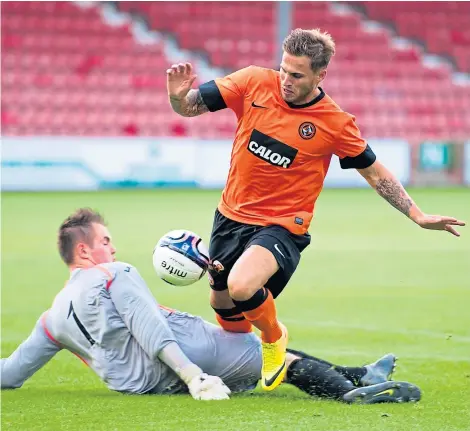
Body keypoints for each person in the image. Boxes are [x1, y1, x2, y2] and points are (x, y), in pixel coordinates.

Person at [166, 28, 466, 391]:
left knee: (242, 286)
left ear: (320, 75)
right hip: (229, 219)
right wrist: (177, 98)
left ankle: (275, 336)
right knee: (232, 324)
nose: (285, 81)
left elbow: (374, 172)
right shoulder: (252, 82)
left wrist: (417, 214)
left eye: (296, 75)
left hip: (281, 228)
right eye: (283, 70)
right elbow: (190, 105)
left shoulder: (334, 123)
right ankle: (351, 375)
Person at [1, 208, 421, 404]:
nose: (113, 248)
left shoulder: (51, 319)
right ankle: (351, 393)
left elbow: (11, 373)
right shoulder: (114, 274)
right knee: (271, 354)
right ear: (84, 250)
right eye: (105, 241)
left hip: (136, 383)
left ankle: (361, 373)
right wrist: (193, 376)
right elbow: (148, 326)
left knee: (255, 345)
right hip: (179, 356)